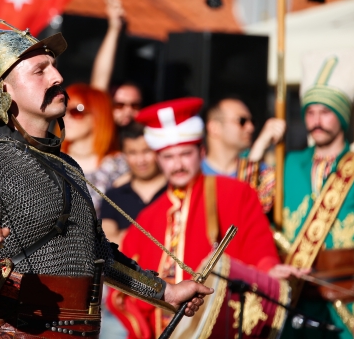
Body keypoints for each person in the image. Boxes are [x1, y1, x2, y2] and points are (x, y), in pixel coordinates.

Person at [0, 16, 211, 339]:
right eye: (40, 71)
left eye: (54, 66)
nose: (58, 77)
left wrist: (166, 293)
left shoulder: (68, 166)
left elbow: (99, 254)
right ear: (4, 89)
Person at [110, 97, 303, 338]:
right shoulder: (146, 218)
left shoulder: (235, 193)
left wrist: (271, 270)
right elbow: (124, 288)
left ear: (201, 152)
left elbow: (260, 249)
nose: (178, 164)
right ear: (158, 160)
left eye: (185, 154)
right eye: (168, 157)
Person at [281, 49, 354, 339]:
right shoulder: (288, 164)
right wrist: (264, 143)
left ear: (342, 117)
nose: (316, 120)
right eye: (310, 112)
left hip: (348, 306)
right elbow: (250, 203)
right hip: (294, 301)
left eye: (325, 112)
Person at [202, 97, 285, 214]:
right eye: (242, 121)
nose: (250, 128)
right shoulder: (193, 176)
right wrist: (257, 151)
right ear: (214, 127)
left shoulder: (264, 174)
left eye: (252, 122)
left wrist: (259, 148)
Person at [62, 83, 128, 215]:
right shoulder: (50, 159)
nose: (66, 117)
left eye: (76, 111)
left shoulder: (119, 166)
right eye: (63, 110)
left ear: (97, 116)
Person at [101, 122, 166, 247]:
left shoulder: (174, 189)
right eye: (132, 153)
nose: (141, 160)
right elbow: (108, 242)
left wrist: (125, 235)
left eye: (147, 151)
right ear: (123, 155)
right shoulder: (114, 196)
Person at [88, 0, 143, 128]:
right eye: (119, 105)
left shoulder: (147, 139)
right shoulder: (102, 134)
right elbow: (99, 84)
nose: (128, 111)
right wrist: (114, 29)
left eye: (135, 105)